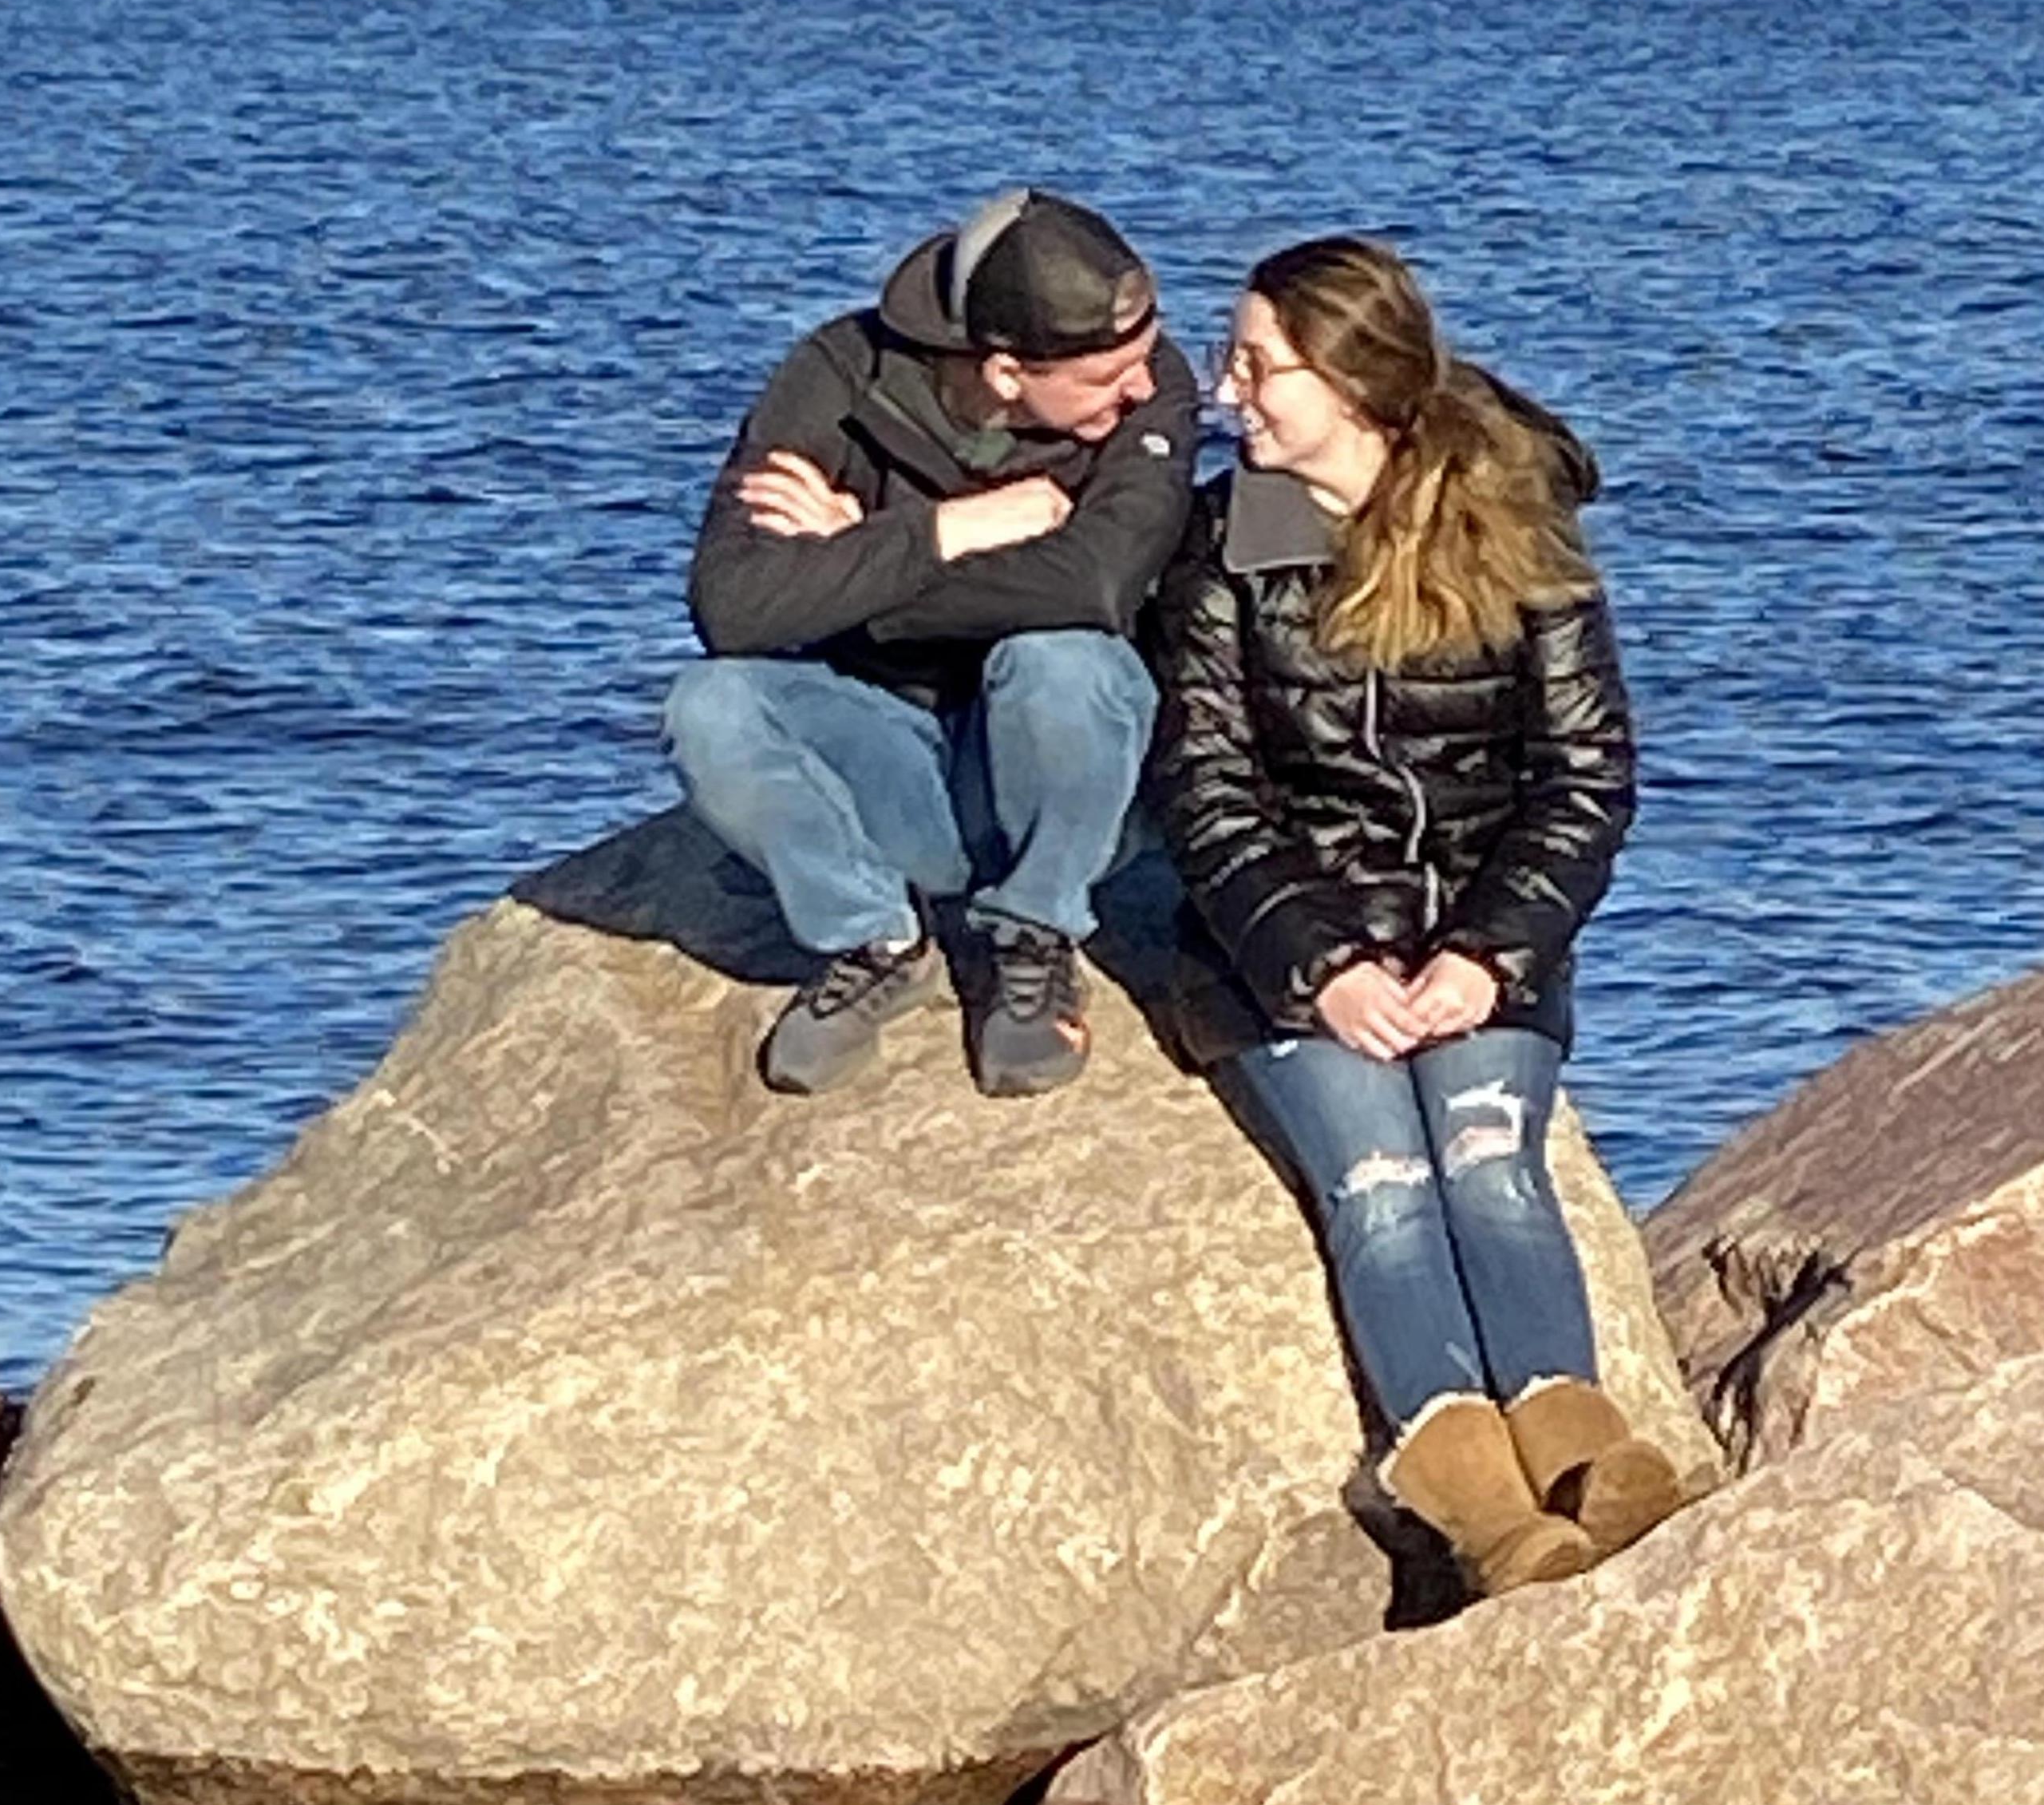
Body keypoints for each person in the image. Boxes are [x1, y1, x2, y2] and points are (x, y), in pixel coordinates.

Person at [1151, 235, 1680, 1602]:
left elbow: (1584, 779)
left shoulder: (1516, 526)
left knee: (1487, 1156)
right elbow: (1204, 791)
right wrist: (1319, 964)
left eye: (1257, 365)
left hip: (1477, 936)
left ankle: (1584, 1449)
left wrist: (1488, 956)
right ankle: (1478, 1503)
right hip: (1281, 950)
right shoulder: (1223, 543)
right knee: (1382, 1185)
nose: (1227, 390)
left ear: (1351, 379)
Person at [666, 191, 1197, 1098]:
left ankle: (1035, 934)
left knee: (1062, 658)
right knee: (707, 707)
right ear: (1006, 372)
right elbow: (735, 608)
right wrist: (940, 531)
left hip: (1067, 777)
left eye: (1144, 358)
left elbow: (1095, 586)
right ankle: (875, 939)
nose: (1145, 386)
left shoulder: (1152, 395)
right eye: (1111, 374)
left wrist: (851, 561)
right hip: (892, 753)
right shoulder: (839, 372)